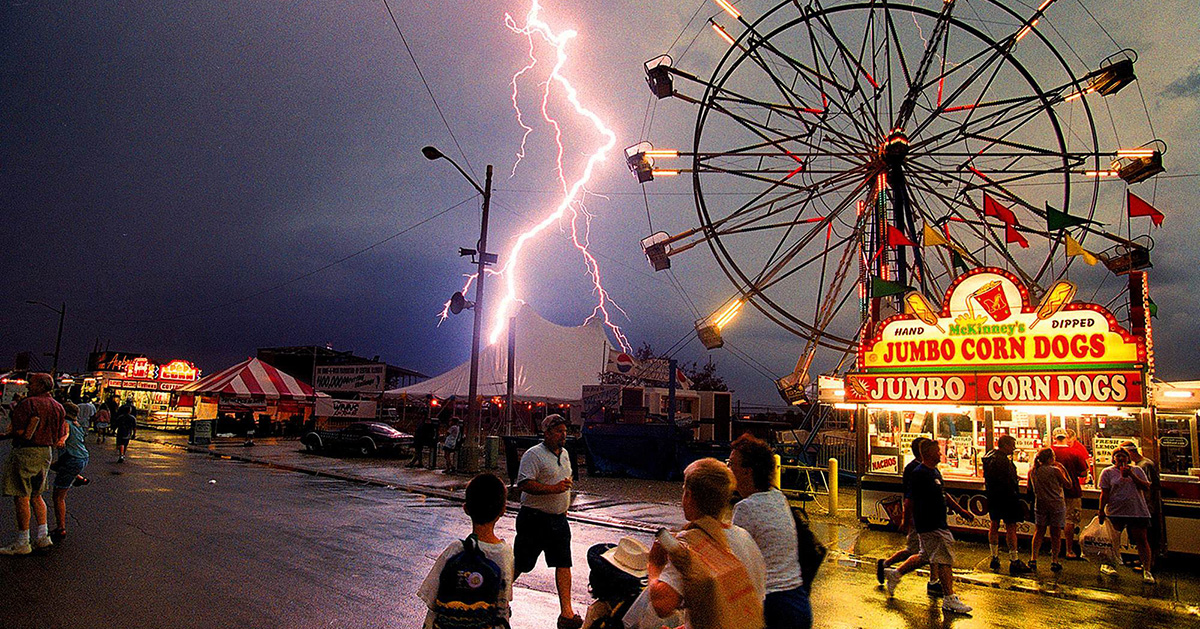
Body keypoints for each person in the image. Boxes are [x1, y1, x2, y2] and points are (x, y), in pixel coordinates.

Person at [647, 457, 766, 629]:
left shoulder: (689, 545)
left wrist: (655, 566)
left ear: (689, 496)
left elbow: (662, 605)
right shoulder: (745, 538)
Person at [728, 434, 810, 629]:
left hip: (770, 605)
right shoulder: (778, 498)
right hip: (798, 600)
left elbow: (734, 563)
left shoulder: (745, 508)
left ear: (747, 471)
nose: (728, 470)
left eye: (732, 464)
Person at [886, 439, 976, 615]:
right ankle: (949, 598)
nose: (940, 454)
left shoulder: (934, 471)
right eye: (937, 451)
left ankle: (895, 574)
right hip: (930, 523)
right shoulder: (919, 473)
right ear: (927, 453)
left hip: (936, 521)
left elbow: (943, 493)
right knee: (944, 558)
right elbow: (909, 500)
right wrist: (906, 521)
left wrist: (960, 510)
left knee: (924, 556)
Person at [417, 472, 513, 628]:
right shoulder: (505, 553)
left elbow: (432, 601)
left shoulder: (455, 550)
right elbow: (503, 603)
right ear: (503, 510)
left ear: (466, 509)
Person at [513, 414, 580, 629]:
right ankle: (498, 595)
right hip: (534, 519)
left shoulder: (566, 454)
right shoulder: (534, 455)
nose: (563, 435)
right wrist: (554, 489)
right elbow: (524, 484)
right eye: (559, 431)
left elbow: (565, 483)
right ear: (547, 433)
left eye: (565, 431)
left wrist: (564, 505)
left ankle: (566, 613)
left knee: (563, 563)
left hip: (559, 520)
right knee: (522, 563)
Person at [0, 373, 68, 555]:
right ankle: (43, 537)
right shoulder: (58, 407)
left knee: (21, 495)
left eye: (31, 383)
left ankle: (23, 542)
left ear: (39, 385)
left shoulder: (29, 404)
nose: (28, 387)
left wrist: (6, 435)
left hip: (26, 451)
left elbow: (20, 431)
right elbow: (61, 434)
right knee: (37, 495)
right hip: (46, 452)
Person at [877, 437, 941, 596]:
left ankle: (934, 581)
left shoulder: (929, 468)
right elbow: (909, 497)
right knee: (919, 550)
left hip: (927, 518)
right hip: (919, 517)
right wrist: (907, 518)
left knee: (929, 550)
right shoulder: (915, 469)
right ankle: (890, 566)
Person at [1098, 447, 1155, 583]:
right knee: (1112, 540)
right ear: (1113, 459)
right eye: (1117, 456)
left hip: (1136, 510)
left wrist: (1131, 475)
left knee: (1141, 539)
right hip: (1115, 511)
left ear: (1128, 458)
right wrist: (1101, 510)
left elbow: (1146, 486)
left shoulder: (1137, 470)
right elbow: (1104, 493)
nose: (1121, 458)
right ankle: (1108, 564)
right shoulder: (1107, 472)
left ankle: (1146, 570)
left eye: (1123, 456)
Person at [983, 435, 1031, 574]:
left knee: (994, 524)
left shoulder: (990, 457)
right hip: (1007, 497)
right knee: (1011, 528)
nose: (1014, 448)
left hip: (993, 497)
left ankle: (994, 556)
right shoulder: (1003, 461)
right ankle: (1014, 559)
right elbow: (1007, 481)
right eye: (1012, 445)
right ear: (1005, 446)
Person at [51, 401, 89, 543]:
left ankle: (61, 528)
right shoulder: (77, 425)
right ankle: (79, 477)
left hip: (71, 459)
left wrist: (60, 440)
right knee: (55, 466)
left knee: (58, 496)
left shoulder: (65, 423)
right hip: (82, 457)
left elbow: (65, 434)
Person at [1122, 441, 1166, 560]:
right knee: (1144, 536)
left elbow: (1148, 487)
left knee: (1148, 536)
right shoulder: (1142, 464)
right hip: (1146, 505)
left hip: (1147, 505)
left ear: (1130, 453)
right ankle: (1145, 560)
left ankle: (1149, 562)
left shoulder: (1144, 465)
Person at [1028, 448, 1068, 572]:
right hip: (1056, 504)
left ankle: (1033, 558)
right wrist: (1063, 469)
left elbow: (1029, 487)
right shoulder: (1055, 470)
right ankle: (1054, 561)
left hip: (1040, 504)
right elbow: (1068, 484)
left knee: (1039, 531)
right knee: (1055, 534)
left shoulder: (1033, 471)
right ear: (1051, 458)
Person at [1051, 428, 1088, 558]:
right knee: (1069, 520)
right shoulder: (1075, 453)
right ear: (1066, 438)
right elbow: (1083, 472)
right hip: (1072, 491)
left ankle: (1054, 549)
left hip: (1052, 492)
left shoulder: (1048, 452)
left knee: (1053, 520)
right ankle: (1069, 550)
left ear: (1053, 437)